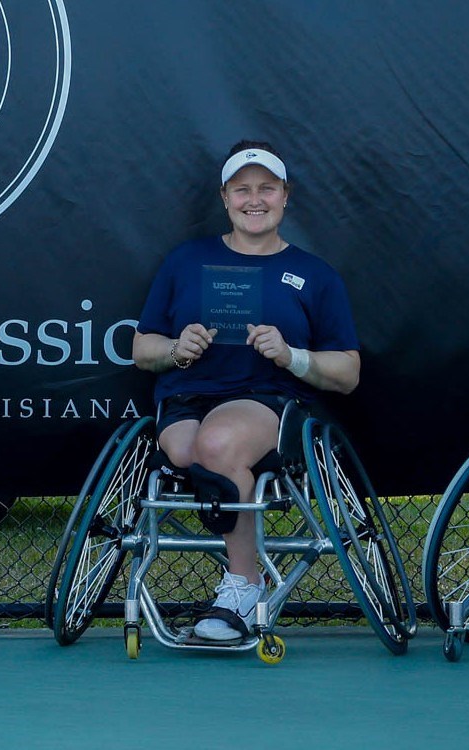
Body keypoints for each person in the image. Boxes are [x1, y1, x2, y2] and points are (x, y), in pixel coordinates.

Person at [132, 140, 360, 640]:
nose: (254, 199)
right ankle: (238, 558)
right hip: (189, 396)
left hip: (270, 398)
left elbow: (347, 373)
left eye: (266, 189)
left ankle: (241, 587)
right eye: (242, 190)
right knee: (191, 447)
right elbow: (141, 347)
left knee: (215, 445)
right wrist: (176, 348)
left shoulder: (315, 275)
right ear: (225, 197)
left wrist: (291, 355)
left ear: (285, 196)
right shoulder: (186, 260)